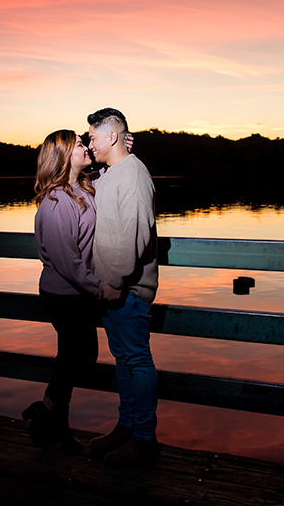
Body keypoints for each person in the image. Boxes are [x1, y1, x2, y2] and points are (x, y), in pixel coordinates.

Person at [22, 128, 132, 453]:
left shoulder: (83, 187)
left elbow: (111, 172)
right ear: (62, 156)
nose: (85, 147)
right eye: (79, 144)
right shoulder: (56, 204)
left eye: (85, 142)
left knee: (71, 357)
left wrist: (119, 144)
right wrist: (101, 288)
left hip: (77, 293)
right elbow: (68, 263)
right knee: (80, 356)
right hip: (63, 294)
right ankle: (44, 416)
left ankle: (54, 427)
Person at [86, 108, 160, 465]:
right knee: (123, 360)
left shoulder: (133, 174)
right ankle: (126, 427)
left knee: (137, 360)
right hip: (111, 289)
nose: (89, 143)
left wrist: (115, 280)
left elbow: (136, 232)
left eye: (94, 137)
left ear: (111, 136)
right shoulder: (113, 172)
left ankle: (145, 437)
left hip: (127, 290)